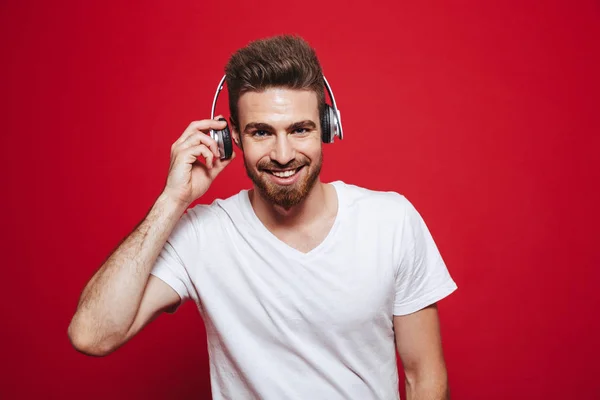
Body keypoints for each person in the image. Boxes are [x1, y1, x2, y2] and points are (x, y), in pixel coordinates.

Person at [68, 34, 458, 400]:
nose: (284, 154)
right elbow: (92, 335)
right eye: (261, 133)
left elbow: (423, 374)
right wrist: (172, 199)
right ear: (231, 137)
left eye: (300, 129)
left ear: (327, 126)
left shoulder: (390, 221)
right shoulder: (203, 236)